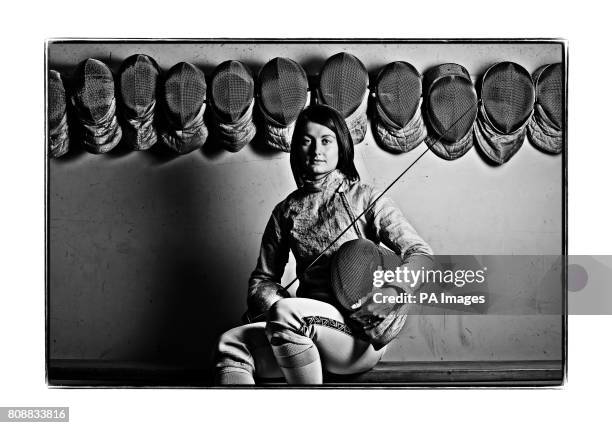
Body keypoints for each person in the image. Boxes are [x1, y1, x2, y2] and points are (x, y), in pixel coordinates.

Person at [214, 104, 433, 385]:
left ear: (340, 146)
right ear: (297, 149)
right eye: (307, 140)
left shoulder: (365, 198)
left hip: (356, 337)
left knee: (288, 315)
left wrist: (393, 291)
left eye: (326, 140)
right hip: (301, 331)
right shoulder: (286, 211)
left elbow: (422, 255)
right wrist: (268, 298)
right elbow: (263, 278)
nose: (316, 149)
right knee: (230, 345)